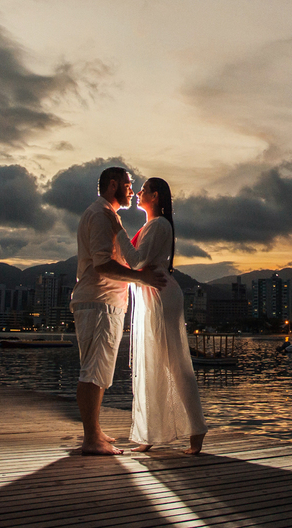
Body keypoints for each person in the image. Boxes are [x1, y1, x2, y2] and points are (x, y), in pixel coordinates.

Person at [71, 166, 168, 456]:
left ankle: (95, 431)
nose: (132, 190)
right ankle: (91, 439)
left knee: (100, 370)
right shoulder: (101, 215)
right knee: (93, 370)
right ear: (113, 185)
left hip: (105, 301)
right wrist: (141, 278)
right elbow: (102, 264)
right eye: (128, 184)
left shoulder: (106, 215)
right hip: (98, 301)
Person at [128, 177, 207, 455]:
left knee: (174, 362)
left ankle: (196, 430)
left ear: (156, 196)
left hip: (161, 296)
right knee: (151, 361)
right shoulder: (151, 225)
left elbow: (137, 261)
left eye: (144, 190)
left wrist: (114, 231)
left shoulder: (159, 224)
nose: (139, 193)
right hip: (152, 295)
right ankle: (150, 431)